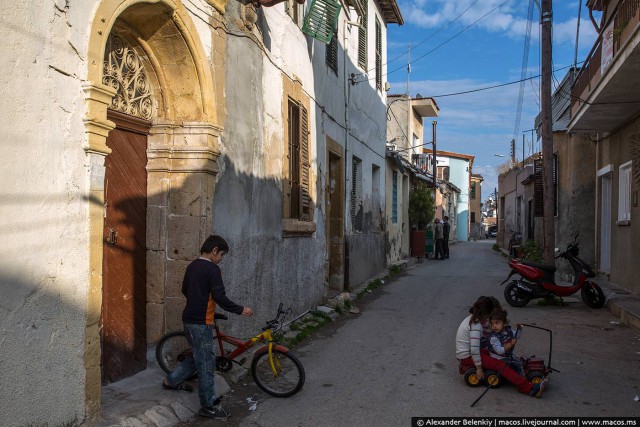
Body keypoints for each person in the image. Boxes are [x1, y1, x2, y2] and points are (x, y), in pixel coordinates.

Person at [162, 235, 253, 419]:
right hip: (201, 323)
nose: (221, 259)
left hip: (189, 320)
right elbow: (220, 296)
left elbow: (185, 290)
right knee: (206, 365)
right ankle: (208, 405)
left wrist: (199, 299)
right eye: (221, 255)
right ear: (214, 251)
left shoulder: (192, 266)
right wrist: (240, 309)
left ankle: (170, 381)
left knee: (198, 357)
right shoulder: (212, 269)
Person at [455, 296, 548, 398]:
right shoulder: (475, 325)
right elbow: (474, 350)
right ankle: (529, 388)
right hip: (468, 356)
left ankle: (511, 374)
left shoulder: (472, 319)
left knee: (492, 355)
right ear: (486, 312)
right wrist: (479, 369)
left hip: (468, 354)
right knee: (500, 365)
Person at [488, 309, 524, 376]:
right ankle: (521, 378)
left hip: (507, 355)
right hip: (498, 358)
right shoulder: (494, 338)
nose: (494, 326)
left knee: (520, 361)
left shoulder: (508, 331)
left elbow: (517, 335)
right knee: (516, 365)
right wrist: (510, 344)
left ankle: (520, 372)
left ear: (504, 323)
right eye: (492, 324)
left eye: (497, 323)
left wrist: (519, 329)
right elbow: (500, 351)